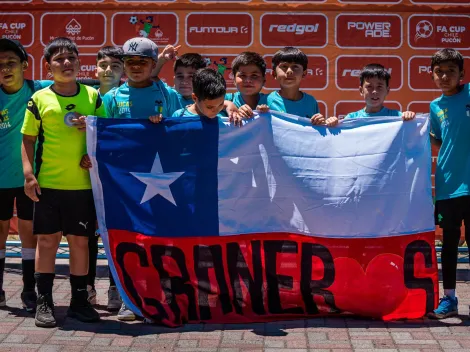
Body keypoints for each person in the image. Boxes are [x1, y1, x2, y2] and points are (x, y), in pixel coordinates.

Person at [21, 37, 105, 328]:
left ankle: (79, 302)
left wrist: (91, 135)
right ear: (48, 66)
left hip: (82, 186)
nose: (66, 63)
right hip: (48, 185)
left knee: (80, 243)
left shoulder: (93, 96)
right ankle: (44, 302)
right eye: (58, 59)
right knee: (47, 242)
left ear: (80, 63)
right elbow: (28, 139)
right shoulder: (39, 99)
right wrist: (29, 175)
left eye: (71, 57)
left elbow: (105, 134)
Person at [0, 39, 52, 312]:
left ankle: (28, 289)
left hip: (29, 180)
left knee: (28, 233)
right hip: (0, 181)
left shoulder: (40, 90)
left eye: (11, 63)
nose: (5, 69)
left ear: (24, 65)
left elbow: (84, 90)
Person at [427, 49, 470, 319]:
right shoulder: (435, 106)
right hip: (447, 184)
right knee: (450, 243)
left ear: (461, 75)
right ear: (432, 75)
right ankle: (450, 299)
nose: (445, 76)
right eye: (439, 71)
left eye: (451, 71)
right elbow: (438, 141)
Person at [85, 46, 124, 311]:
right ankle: (87, 288)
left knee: (114, 235)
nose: (107, 70)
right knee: (86, 235)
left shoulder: (128, 95)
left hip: (119, 178)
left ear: (122, 71)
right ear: (95, 68)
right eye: (103, 64)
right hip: (86, 175)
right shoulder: (84, 95)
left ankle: (115, 288)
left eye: (114, 65)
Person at [102, 37, 179, 120]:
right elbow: (103, 130)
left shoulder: (168, 94)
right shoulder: (111, 97)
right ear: (124, 65)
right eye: (130, 61)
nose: (136, 66)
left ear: (153, 65)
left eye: (143, 62)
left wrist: (162, 125)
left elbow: (178, 128)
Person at [266, 47, 338, 127]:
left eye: (295, 67)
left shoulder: (311, 101)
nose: (289, 71)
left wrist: (323, 122)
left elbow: (316, 130)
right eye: (284, 66)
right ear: (274, 74)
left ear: (304, 73)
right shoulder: (266, 100)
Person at [344, 64, 415, 121]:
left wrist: (410, 119)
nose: (374, 91)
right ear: (361, 90)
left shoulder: (398, 117)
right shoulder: (351, 118)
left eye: (379, 87)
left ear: (387, 90)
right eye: (369, 87)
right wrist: (333, 124)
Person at [227, 51, 269, 119]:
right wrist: (227, 104)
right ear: (234, 79)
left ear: (264, 80)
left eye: (254, 75)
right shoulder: (227, 99)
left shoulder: (271, 101)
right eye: (242, 75)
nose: (248, 80)